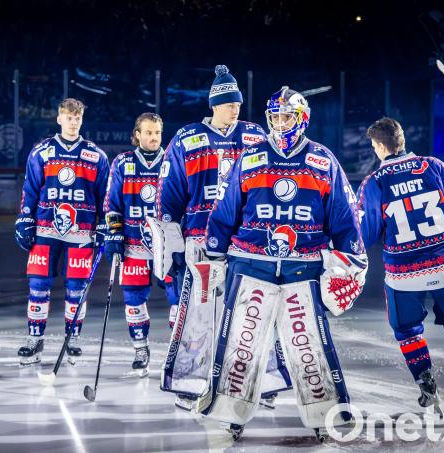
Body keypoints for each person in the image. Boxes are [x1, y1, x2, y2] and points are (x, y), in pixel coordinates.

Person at [201, 86, 367, 440]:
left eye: (286, 116)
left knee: (308, 344)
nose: (279, 123)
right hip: (250, 265)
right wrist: (214, 253)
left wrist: (350, 256)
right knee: (241, 342)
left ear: (302, 118)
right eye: (274, 117)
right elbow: (226, 209)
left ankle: (326, 414)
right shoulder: (251, 158)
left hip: (303, 268)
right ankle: (232, 411)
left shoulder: (323, 161)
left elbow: (343, 215)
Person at [150, 65, 280, 409]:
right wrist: (173, 242)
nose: (235, 108)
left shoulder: (255, 136)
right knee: (198, 316)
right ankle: (191, 383)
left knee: (251, 313)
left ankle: (258, 382)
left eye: (238, 103)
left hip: (246, 241)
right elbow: (169, 194)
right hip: (201, 242)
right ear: (214, 105)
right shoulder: (187, 138)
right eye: (228, 103)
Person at [356, 117, 444, 422]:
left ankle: (426, 384)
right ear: (402, 141)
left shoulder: (375, 182)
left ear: (380, 146)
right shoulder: (434, 166)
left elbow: (365, 233)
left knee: (407, 331)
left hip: (404, 273)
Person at [15, 98, 109, 365]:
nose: (73, 121)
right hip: (45, 229)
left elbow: (105, 197)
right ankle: (35, 339)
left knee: (77, 288)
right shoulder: (42, 151)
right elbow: (30, 189)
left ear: (82, 120)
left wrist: (104, 224)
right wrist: (24, 219)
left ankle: (73, 339)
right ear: (59, 119)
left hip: (81, 233)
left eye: (77, 117)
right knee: (38, 286)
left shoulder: (96, 155)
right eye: (68, 117)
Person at [103, 112, 178, 376]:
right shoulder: (122, 163)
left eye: (157, 133)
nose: (153, 137)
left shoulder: (171, 161)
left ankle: (175, 353)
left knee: (177, 299)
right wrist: (114, 233)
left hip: (167, 246)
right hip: (134, 245)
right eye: (148, 132)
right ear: (137, 135)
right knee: (133, 300)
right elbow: (112, 203)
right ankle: (140, 349)